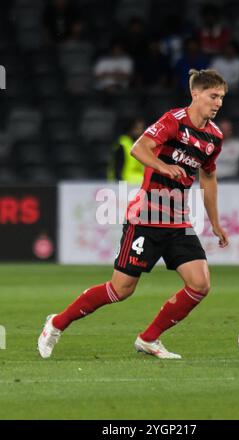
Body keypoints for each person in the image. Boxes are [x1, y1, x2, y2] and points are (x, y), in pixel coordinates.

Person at [38, 69, 229, 360]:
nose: (218, 103)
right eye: (213, 96)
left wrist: (215, 222)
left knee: (200, 284)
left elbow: (208, 178)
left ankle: (149, 339)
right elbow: (139, 149)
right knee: (121, 289)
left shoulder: (214, 137)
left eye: (222, 98)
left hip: (178, 222)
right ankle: (56, 323)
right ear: (196, 94)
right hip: (146, 219)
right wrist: (164, 167)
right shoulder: (173, 122)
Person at [108, 117, 145, 183]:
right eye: (138, 129)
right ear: (130, 129)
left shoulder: (138, 145)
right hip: (125, 182)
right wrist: (119, 186)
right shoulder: (122, 145)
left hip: (136, 181)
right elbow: (117, 168)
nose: (141, 131)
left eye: (141, 128)